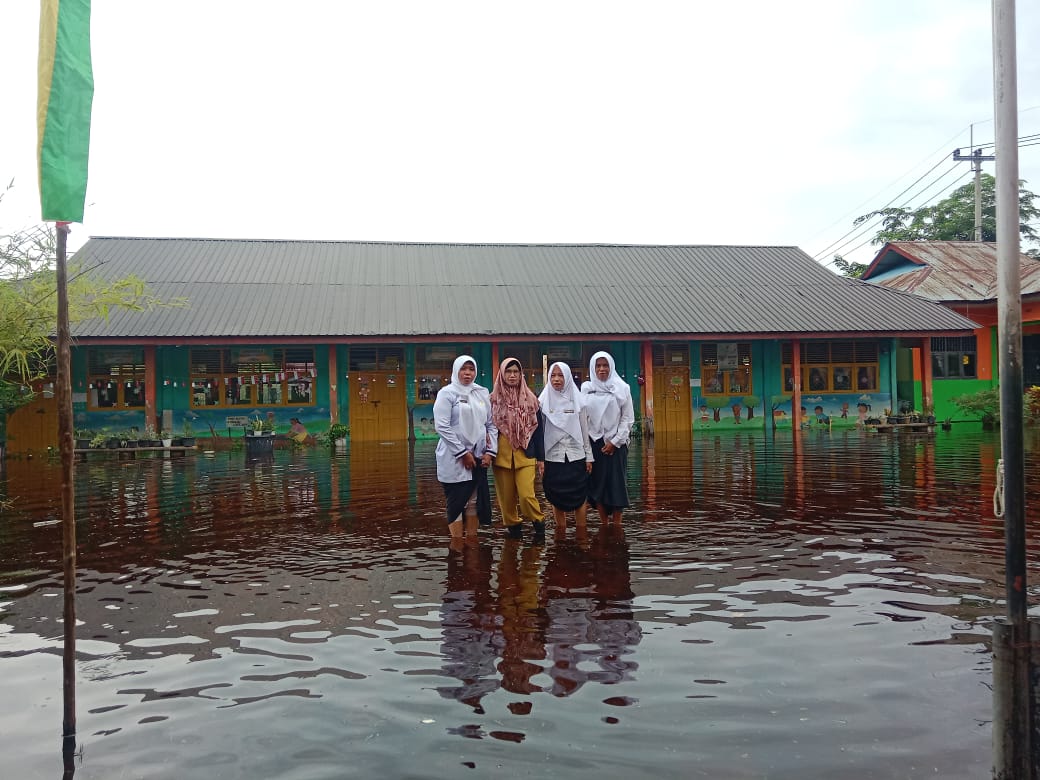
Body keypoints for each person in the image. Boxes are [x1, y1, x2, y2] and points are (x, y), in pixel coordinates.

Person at [434, 355, 497, 544]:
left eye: (471, 369)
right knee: (455, 501)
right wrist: (462, 453)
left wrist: (490, 452)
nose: (467, 373)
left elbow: (491, 425)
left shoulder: (481, 393)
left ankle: (471, 544)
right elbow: (442, 426)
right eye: (464, 369)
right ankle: (457, 547)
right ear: (456, 370)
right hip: (453, 458)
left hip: (478, 457)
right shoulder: (447, 393)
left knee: (473, 501)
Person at [489, 357, 545, 541]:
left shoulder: (531, 400)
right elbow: (487, 429)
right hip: (501, 456)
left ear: (521, 375)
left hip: (525, 454)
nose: (512, 375)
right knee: (506, 499)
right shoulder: (493, 401)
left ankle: (539, 524)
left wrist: (541, 459)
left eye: (516, 372)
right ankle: (513, 531)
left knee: (526, 495)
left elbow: (538, 432)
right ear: (502, 374)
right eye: (508, 371)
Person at [538, 362, 594, 538]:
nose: (556, 379)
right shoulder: (542, 402)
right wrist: (541, 460)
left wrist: (589, 457)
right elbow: (541, 432)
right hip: (552, 457)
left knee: (580, 495)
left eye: (560, 375)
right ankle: (560, 534)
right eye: (553, 375)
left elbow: (585, 431)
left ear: (568, 377)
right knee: (556, 496)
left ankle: (581, 534)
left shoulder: (579, 401)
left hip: (576, 454)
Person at [581, 351, 634, 525]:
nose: (602, 369)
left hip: (616, 445)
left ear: (611, 367)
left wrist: (615, 441)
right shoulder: (587, 389)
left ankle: (617, 525)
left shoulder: (622, 388)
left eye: (605, 365)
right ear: (592, 368)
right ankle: (604, 524)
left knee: (616, 485)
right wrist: (587, 447)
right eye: (598, 366)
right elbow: (583, 418)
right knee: (597, 486)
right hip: (595, 444)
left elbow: (627, 419)